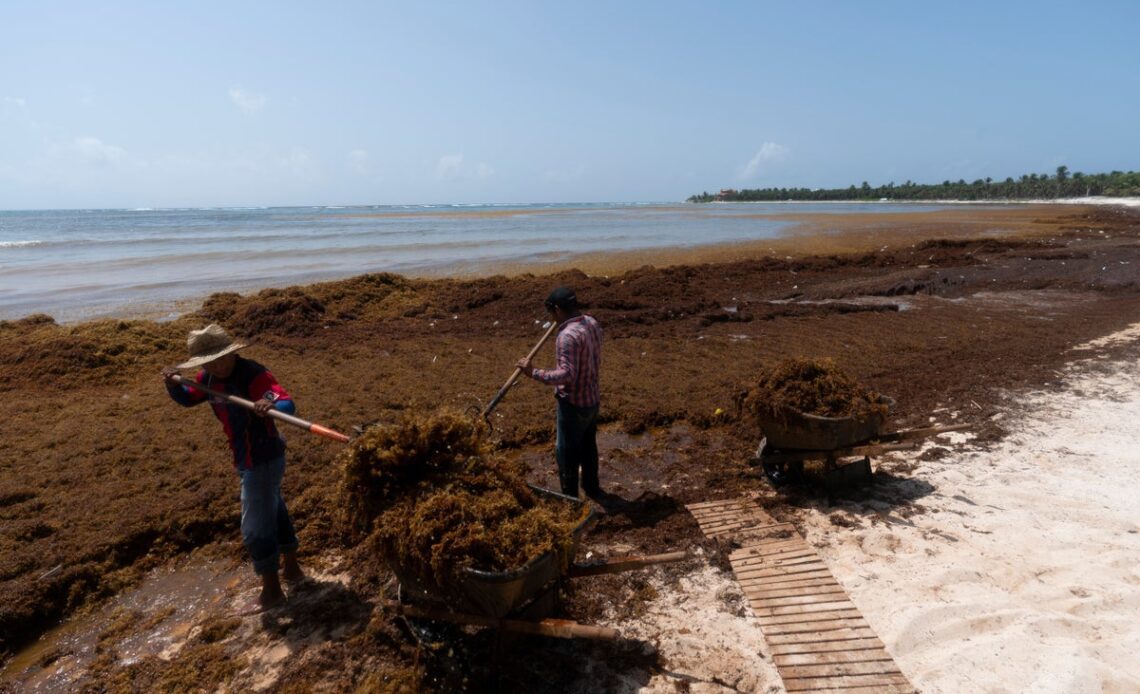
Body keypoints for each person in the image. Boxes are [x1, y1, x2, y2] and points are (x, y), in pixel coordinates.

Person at [161, 323, 303, 610]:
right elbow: (189, 399)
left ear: (232, 353)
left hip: (262, 457)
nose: (218, 365)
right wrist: (173, 385)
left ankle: (272, 593)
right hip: (245, 456)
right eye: (210, 362)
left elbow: (287, 405)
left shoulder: (253, 374)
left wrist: (266, 404)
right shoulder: (208, 378)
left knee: (254, 527)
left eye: (222, 358)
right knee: (274, 509)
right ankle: (292, 570)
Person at [517, 287, 603, 499]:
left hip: (572, 403)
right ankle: (592, 489)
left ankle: (570, 498)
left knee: (566, 454)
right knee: (588, 448)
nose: (551, 317)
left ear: (557, 310)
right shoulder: (591, 323)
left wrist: (533, 372)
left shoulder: (567, 336)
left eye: (551, 313)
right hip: (592, 399)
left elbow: (567, 375)